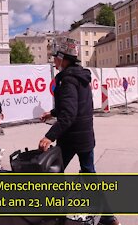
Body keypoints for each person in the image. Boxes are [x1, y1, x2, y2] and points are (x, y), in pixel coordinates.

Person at [38, 43, 120, 225]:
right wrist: (52, 113)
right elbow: (75, 105)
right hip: (85, 135)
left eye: (56, 57)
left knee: (54, 172)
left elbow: (69, 113)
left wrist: (49, 136)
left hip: (71, 137)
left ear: (64, 59)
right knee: (90, 174)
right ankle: (108, 217)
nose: (54, 60)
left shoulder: (67, 80)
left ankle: (55, 211)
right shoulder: (80, 76)